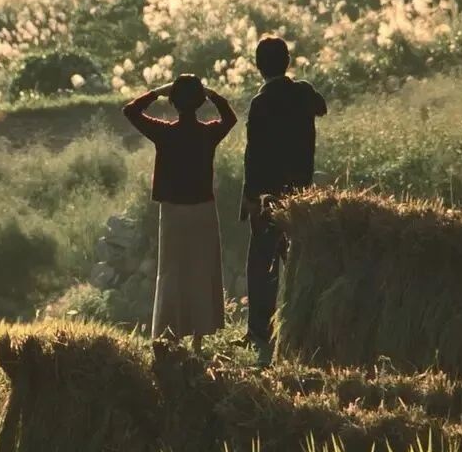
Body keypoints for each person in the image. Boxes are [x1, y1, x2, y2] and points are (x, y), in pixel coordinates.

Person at [123, 74, 237, 354]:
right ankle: (198, 339)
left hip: (173, 212)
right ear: (200, 101)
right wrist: (211, 94)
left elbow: (130, 111)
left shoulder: (165, 133)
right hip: (203, 210)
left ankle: (169, 334)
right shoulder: (208, 133)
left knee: (172, 271)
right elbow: (230, 118)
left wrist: (156, 92)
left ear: (173, 102)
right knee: (201, 270)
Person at [237, 36, 327, 367]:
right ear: (288, 62)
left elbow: (254, 155)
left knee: (262, 264)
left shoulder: (261, 103)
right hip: (300, 192)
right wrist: (300, 86)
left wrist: (251, 198)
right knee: (298, 262)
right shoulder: (303, 93)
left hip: (269, 196)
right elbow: (322, 107)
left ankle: (260, 331)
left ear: (258, 66)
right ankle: (304, 328)